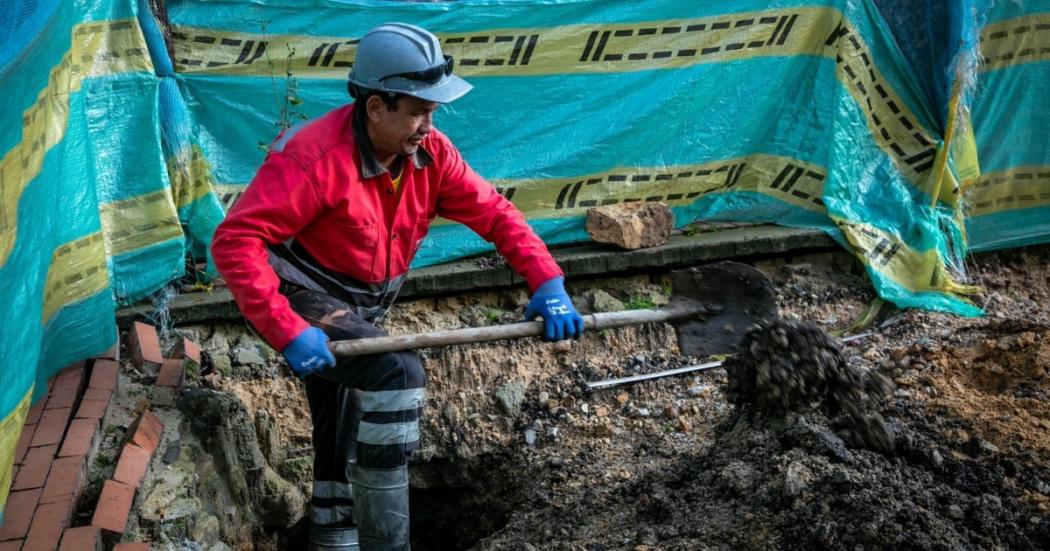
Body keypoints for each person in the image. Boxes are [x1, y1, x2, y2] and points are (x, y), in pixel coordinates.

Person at [210, 22, 584, 551]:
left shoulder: (432, 155)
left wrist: (547, 281)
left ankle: (333, 536)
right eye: (416, 111)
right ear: (375, 107)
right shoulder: (313, 159)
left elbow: (496, 214)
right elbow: (235, 240)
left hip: (362, 305)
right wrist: (285, 327)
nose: (427, 125)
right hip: (300, 291)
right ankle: (389, 543)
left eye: (432, 112)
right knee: (397, 371)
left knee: (341, 415)